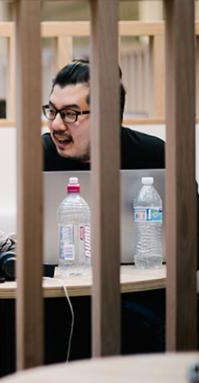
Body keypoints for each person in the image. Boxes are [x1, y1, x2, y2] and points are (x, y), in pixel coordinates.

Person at [41, 59, 166, 362]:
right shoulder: (41, 154)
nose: (57, 124)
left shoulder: (156, 155)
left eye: (70, 114)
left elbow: (188, 243)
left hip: (136, 294)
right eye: (52, 111)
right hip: (63, 293)